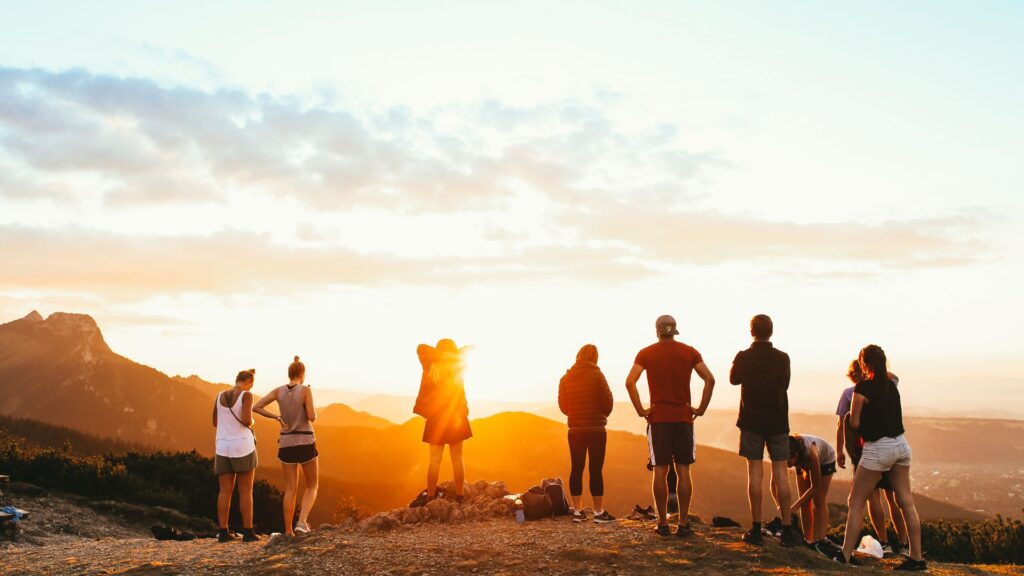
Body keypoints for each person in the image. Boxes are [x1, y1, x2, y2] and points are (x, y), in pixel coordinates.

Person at [834, 345, 926, 571]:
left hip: (878, 448)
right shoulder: (891, 386)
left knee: (855, 502)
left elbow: (853, 423)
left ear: (866, 364)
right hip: (901, 445)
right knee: (906, 502)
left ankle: (844, 555)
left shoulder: (862, 388)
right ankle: (916, 558)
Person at [626, 314, 715, 538]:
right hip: (683, 417)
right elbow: (710, 379)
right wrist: (701, 408)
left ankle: (662, 523)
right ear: (674, 331)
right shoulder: (689, 351)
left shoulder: (645, 353)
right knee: (684, 470)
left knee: (660, 470)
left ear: (657, 331)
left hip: (658, 418)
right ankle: (683, 524)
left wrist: (640, 409)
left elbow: (630, 382)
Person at [729, 314, 802, 547]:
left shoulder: (743, 357)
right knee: (781, 474)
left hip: (751, 421)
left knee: (755, 474)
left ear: (751, 331)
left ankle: (757, 529)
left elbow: (733, 379)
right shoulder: (783, 358)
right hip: (778, 421)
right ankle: (787, 530)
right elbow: (786, 385)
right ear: (771, 331)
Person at [837, 359, 910, 557]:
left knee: (869, 498)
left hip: (867, 449)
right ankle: (903, 544)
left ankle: (883, 542)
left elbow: (844, 424)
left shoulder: (848, 394)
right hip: (891, 446)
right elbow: (894, 377)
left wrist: (841, 451)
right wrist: (878, 371)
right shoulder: (886, 387)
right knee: (896, 498)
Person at [254, 356, 319, 536]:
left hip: (286, 443)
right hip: (305, 441)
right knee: (312, 485)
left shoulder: (278, 391)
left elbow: (256, 407)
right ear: (302, 374)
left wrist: (276, 417)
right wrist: (308, 400)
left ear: (289, 373)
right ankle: (302, 522)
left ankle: (288, 531)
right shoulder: (305, 390)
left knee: (290, 488)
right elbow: (312, 416)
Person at [411, 338, 472, 506]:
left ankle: (430, 497)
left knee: (434, 461)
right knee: (457, 459)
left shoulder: (430, 367)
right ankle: (460, 496)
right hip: (455, 418)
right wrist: (453, 354)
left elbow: (421, 347)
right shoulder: (456, 369)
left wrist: (443, 355)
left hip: (436, 419)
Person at [558, 344, 615, 523]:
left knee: (577, 468)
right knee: (595, 469)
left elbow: (563, 406)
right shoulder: (598, 375)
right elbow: (608, 402)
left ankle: (577, 511)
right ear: (595, 358)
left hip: (575, 430)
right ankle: (598, 512)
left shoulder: (566, 378)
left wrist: (575, 415)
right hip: (597, 429)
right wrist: (600, 414)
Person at [212, 369, 260, 543]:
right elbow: (247, 420)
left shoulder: (219, 396)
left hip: (222, 446)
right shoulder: (246, 396)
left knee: (225, 491)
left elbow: (215, 422)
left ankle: (223, 532)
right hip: (242, 447)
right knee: (246, 490)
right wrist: (252, 421)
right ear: (248, 381)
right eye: (251, 384)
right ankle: (248, 532)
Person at [785, 434, 836, 549]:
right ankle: (808, 540)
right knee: (805, 501)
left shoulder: (811, 454)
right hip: (802, 461)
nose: (787, 464)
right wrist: (780, 505)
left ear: (796, 455)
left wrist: (794, 507)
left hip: (825, 460)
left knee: (819, 499)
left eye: (789, 461)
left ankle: (821, 539)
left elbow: (816, 487)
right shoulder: (789, 452)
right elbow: (775, 481)